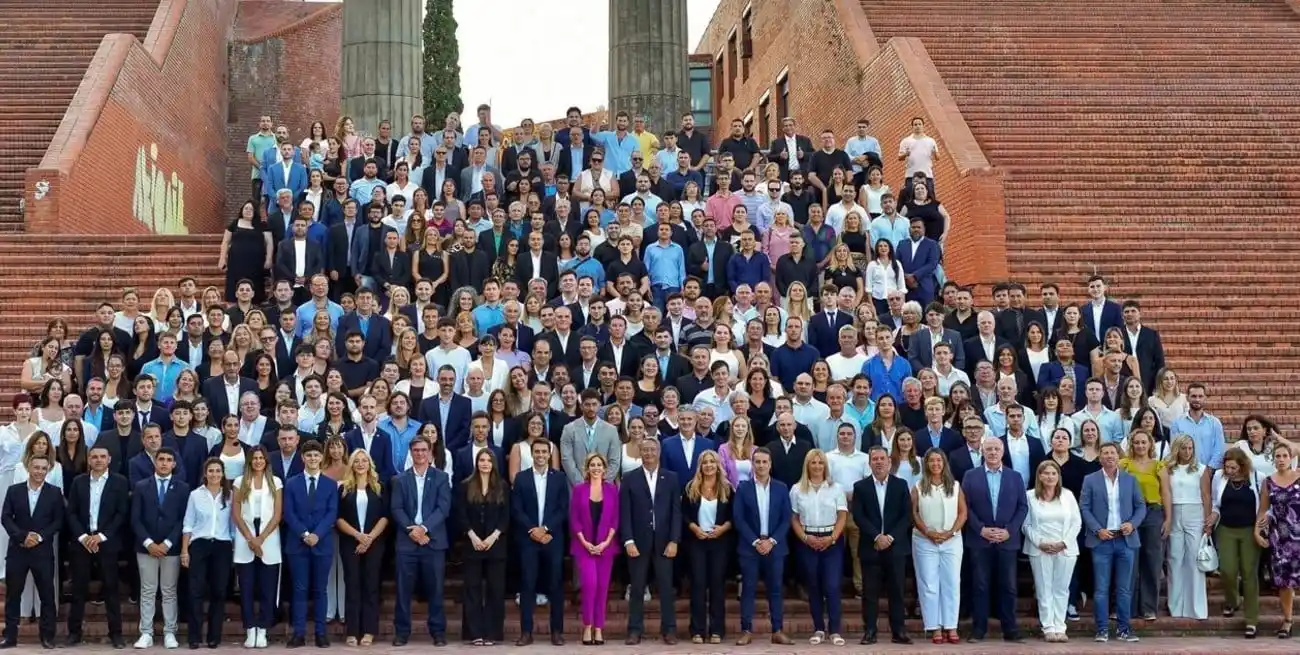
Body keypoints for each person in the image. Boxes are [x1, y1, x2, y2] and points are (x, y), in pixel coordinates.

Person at [961, 437, 1028, 643]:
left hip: (1007, 540)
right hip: (979, 540)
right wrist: (980, 529)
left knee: (1008, 586)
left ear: (1002, 451)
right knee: (980, 585)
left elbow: (1022, 507)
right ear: (982, 451)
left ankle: (1010, 629)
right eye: (988, 449)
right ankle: (979, 629)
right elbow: (965, 507)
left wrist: (1009, 530)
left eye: (996, 449)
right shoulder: (970, 476)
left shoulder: (1015, 477)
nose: (992, 452)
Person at [64, 443, 131, 649]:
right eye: (94, 457)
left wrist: (101, 536)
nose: (99, 460)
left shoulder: (120, 482)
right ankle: (74, 633)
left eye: (103, 456)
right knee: (79, 589)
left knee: (111, 589)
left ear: (109, 459)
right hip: (82, 543)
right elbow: (71, 512)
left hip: (106, 543)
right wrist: (84, 537)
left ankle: (116, 634)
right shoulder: (79, 482)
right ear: (89, 460)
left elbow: (121, 513)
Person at [1080, 442, 1147, 643]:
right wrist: (1097, 529)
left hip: (1125, 540)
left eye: (1112, 452)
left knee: (1124, 588)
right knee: (1101, 588)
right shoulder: (1090, 480)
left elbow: (1141, 507)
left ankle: (1124, 629)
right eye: (1105, 453)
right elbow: (1084, 508)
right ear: (1099, 457)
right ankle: (1101, 629)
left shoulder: (1130, 480)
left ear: (1119, 456)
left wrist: (1132, 524)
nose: (1109, 456)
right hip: (1101, 541)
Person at [390, 436, 452, 646]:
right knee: (403, 589)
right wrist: (412, 530)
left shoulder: (441, 478)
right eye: (416, 450)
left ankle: (438, 632)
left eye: (423, 450)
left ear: (430, 452)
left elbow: (443, 508)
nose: (420, 454)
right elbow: (396, 508)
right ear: (411, 452)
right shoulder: (399, 480)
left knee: (436, 589)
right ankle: (402, 632)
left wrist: (424, 528)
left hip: (433, 541)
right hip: (407, 542)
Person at [620, 437, 681, 645]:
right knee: (637, 588)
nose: (648, 453)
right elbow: (625, 512)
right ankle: (634, 630)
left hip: (664, 542)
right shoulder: (629, 478)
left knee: (666, 587)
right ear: (640, 453)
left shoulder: (671, 478)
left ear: (659, 452)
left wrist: (674, 540)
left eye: (652, 450)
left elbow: (676, 512)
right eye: (644, 450)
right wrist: (628, 540)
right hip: (638, 541)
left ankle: (669, 629)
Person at [0, 453, 63, 649]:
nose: (39, 472)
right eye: (36, 467)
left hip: (42, 551)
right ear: (29, 467)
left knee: (47, 595)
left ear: (48, 470)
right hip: (18, 550)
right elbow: (6, 517)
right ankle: (10, 636)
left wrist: (39, 537)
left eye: (44, 469)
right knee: (13, 595)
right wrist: (22, 536)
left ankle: (47, 637)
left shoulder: (55, 492)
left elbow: (58, 521)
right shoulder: (13, 491)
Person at [851, 445, 912, 645]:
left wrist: (890, 537)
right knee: (870, 593)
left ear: (889, 461)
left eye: (882, 459)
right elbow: (859, 516)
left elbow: (906, 516)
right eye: (874, 459)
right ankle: (870, 631)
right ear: (869, 463)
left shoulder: (901, 485)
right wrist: (877, 536)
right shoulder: (860, 487)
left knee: (897, 591)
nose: (878, 462)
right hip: (871, 547)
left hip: (896, 547)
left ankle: (899, 631)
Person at [511, 439, 569, 646]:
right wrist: (533, 530)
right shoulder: (521, 478)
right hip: (528, 539)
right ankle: (526, 632)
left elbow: (563, 508)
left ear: (549, 453)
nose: (541, 455)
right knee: (527, 585)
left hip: (552, 538)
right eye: (537, 451)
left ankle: (557, 632)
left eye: (545, 451)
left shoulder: (559, 478)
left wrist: (545, 529)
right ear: (532, 453)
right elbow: (517, 509)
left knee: (555, 585)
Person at [130, 446, 189, 649]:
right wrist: (149, 543)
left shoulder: (182, 488)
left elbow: (183, 520)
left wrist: (167, 543)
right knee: (147, 590)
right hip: (146, 547)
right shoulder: (141, 486)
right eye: (160, 459)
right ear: (155, 462)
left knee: (169, 590)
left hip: (170, 548)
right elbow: (135, 518)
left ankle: (170, 632)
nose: (164, 463)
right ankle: (146, 632)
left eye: (168, 460)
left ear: (174, 463)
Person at [733, 447, 793, 645]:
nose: (761, 466)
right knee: (748, 589)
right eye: (757, 462)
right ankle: (746, 630)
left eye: (764, 462)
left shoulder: (781, 488)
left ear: (770, 464)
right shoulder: (743, 488)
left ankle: (777, 630)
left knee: (775, 589)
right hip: (750, 547)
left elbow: (786, 519)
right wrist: (756, 541)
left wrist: (772, 541)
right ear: (752, 464)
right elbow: (738, 518)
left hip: (775, 546)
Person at [282, 440, 339, 648]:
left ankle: (321, 633)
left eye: (316, 455)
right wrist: (305, 534)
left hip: (321, 544)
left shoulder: (330, 484)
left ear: (321, 458)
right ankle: (298, 634)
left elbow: (332, 512)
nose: (313, 459)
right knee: (299, 589)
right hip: (298, 544)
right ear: (303, 458)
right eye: (309, 455)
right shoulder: (292, 483)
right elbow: (289, 513)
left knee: (320, 590)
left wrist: (317, 534)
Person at [792, 448, 849, 646]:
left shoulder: (836, 488)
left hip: (831, 540)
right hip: (807, 541)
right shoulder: (797, 489)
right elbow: (794, 518)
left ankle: (835, 630)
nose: (817, 466)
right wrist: (806, 538)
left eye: (820, 462)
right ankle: (818, 628)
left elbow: (842, 515)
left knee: (832, 586)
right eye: (813, 462)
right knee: (814, 586)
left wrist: (832, 538)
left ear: (825, 465)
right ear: (807, 465)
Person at [911, 447, 966, 644]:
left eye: (939, 461)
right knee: (929, 583)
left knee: (951, 582)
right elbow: (914, 513)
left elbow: (962, 513)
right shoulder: (918, 486)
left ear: (944, 463)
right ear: (926, 464)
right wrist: (928, 532)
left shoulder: (956, 486)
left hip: (951, 540)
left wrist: (950, 533)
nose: (935, 464)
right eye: (931, 461)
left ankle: (951, 625)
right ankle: (934, 626)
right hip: (925, 540)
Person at [1023, 459, 1082, 643]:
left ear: (1058, 476)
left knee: (1061, 589)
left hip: (1065, 549)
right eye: (1046, 473)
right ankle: (1048, 626)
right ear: (1039, 476)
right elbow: (1026, 524)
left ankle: (1060, 626)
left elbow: (1076, 522)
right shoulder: (1029, 496)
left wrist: (1064, 542)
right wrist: (1040, 542)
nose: (1050, 476)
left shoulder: (1068, 495)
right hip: (1040, 549)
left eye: (1053, 473)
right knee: (1044, 588)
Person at [455, 449, 508, 646]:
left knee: (496, 589)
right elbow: (461, 514)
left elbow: (505, 516)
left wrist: (493, 536)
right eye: (481, 460)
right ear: (477, 463)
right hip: (472, 544)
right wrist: (473, 536)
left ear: (494, 463)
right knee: (472, 589)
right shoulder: (466, 486)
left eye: (488, 460)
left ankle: (492, 633)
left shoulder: (502, 486)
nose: (485, 463)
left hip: (496, 545)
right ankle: (474, 633)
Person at [336, 449, 388, 647]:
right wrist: (358, 536)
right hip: (350, 542)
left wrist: (369, 538)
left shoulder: (379, 487)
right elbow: (338, 518)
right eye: (356, 461)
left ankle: (368, 631)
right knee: (352, 585)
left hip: (374, 543)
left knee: (371, 587)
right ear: (351, 464)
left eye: (364, 460)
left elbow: (385, 516)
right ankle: (352, 631)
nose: (360, 464)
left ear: (369, 463)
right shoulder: (344, 489)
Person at [231, 446, 282, 649]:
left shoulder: (275, 482)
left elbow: (278, 514)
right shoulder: (239, 482)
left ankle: (263, 629)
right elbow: (236, 514)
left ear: (266, 461)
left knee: (268, 589)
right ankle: (250, 629)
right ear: (250, 461)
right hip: (246, 536)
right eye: (255, 458)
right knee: (247, 589)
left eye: (262, 458)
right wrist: (251, 539)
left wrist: (261, 539)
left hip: (268, 536)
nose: (258, 461)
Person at [181, 458, 235, 649]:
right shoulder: (196, 495)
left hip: (222, 545)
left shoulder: (230, 496)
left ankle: (214, 636)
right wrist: (184, 550)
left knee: (219, 592)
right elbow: (188, 524)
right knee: (195, 591)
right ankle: (194, 637)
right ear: (205, 473)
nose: (214, 474)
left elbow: (233, 525)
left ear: (223, 474)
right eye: (211, 471)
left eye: (218, 471)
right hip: (199, 545)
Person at [1210, 448, 1263, 638]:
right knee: (1227, 569)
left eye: (1233, 467)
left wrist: (1262, 525)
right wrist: (1212, 518)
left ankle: (1251, 620)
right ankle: (1233, 601)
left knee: (1249, 574)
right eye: (1227, 467)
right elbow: (1216, 503)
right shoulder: (1219, 477)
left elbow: (1265, 505)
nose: (1229, 471)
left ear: (1242, 465)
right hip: (1225, 529)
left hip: (1250, 530)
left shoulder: (1257, 477)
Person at [682, 449, 733, 645]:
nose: (709, 465)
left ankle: (717, 630)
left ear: (718, 464)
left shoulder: (727, 489)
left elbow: (732, 517)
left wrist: (723, 528)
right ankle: (697, 630)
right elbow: (684, 514)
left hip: (719, 542)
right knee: (698, 584)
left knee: (717, 586)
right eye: (705, 462)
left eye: (712, 462)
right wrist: (694, 528)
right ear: (700, 466)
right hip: (697, 542)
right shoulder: (690, 488)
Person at [570, 452, 619, 645]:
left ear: (605, 469)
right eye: (593, 465)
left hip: (606, 547)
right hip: (584, 546)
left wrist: (606, 542)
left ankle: (599, 629)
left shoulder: (612, 489)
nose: (596, 468)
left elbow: (615, 518)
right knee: (590, 585)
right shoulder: (579, 489)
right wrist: (585, 543)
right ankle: (587, 626)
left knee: (602, 588)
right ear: (587, 468)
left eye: (599, 465)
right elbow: (574, 519)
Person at [1257, 440, 1300, 638]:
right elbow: (1263, 510)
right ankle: (1288, 620)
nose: (1281, 459)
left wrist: (1281, 439)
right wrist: (1257, 531)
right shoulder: (1268, 481)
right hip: (1280, 538)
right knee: (1284, 582)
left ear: (1291, 458)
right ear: (1273, 460)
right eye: (1278, 456)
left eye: (1285, 456)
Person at [1165, 435, 1208, 620]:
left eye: (1190, 448)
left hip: (1195, 513)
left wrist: (1208, 522)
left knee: (1193, 560)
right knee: (1174, 558)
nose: (1188, 452)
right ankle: (1176, 607)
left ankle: (1195, 607)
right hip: (1174, 512)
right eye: (1184, 448)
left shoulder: (1201, 468)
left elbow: (1206, 495)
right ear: (1177, 449)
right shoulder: (1168, 468)